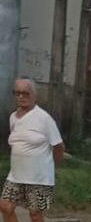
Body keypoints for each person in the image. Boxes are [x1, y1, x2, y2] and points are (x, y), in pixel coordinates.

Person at [0, 78, 65, 222]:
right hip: (15, 176)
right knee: (5, 207)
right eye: (17, 93)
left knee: (35, 214)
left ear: (35, 95)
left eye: (25, 93)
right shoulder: (13, 117)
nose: (21, 97)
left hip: (39, 178)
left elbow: (59, 146)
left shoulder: (44, 119)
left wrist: (52, 167)